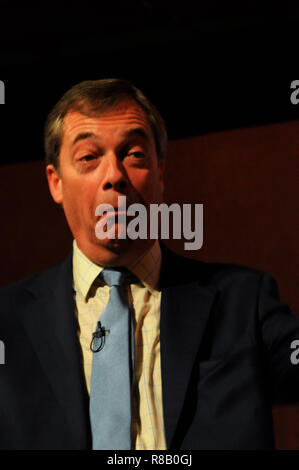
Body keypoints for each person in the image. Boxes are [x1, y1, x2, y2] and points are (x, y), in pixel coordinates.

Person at [0, 78, 298, 450]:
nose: (114, 176)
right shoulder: (7, 321)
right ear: (56, 182)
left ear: (160, 174)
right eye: (90, 157)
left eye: (135, 154)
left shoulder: (242, 301)